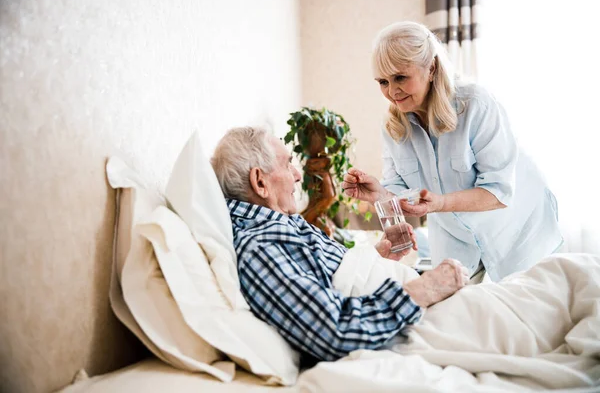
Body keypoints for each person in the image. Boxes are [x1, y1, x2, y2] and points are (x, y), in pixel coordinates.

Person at [211, 126, 469, 362]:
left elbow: (330, 277)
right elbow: (336, 331)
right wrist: (427, 288)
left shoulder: (278, 226)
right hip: (422, 319)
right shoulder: (260, 246)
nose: (298, 175)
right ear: (260, 182)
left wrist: (376, 257)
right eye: (288, 164)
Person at [342, 21, 563, 282]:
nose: (392, 91)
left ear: (431, 67)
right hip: (452, 236)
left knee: (525, 311)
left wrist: (441, 203)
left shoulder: (476, 105)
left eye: (400, 77)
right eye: (383, 81)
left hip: (515, 229)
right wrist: (380, 194)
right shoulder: (393, 125)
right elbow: (404, 192)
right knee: (459, 311)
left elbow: (499, 191)